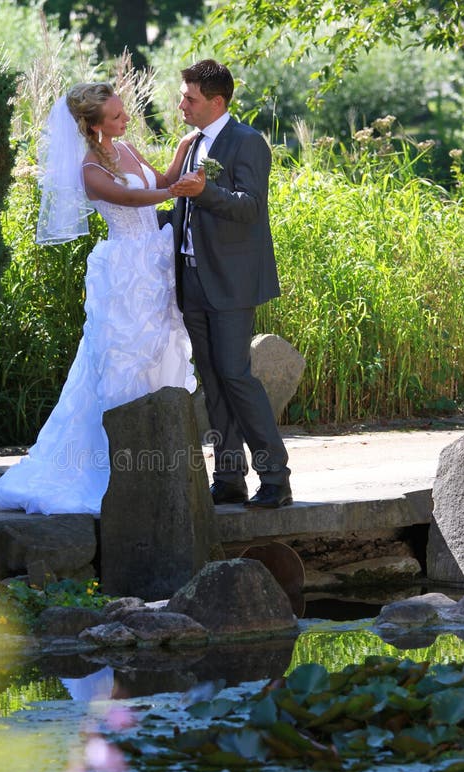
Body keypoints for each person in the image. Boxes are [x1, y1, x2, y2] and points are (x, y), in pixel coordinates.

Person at [0, 83, 196, 515]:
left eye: (124, 113)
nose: (125, 121)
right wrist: (173, 194)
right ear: (93, 124)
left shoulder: (129, 149)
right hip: (124, 268)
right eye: (117, 117)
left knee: (158, 351)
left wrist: (180, 154)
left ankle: (157, 458)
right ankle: (116, 464)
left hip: (152, 264)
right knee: (124, 357)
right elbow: (132, 197)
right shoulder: (89, 169)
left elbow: (158, 181)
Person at [169, 59, 292, 509]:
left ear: (216, 102)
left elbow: (250, 208)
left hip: (231, 282)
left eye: (190, 98)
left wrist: (206, 192)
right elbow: (185, 209)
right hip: (192, 280)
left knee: (237, 376)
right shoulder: (191, 143)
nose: (182, 104)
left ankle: (276, 479)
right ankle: (228, 477)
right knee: (214, 381)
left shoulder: (247, 142)